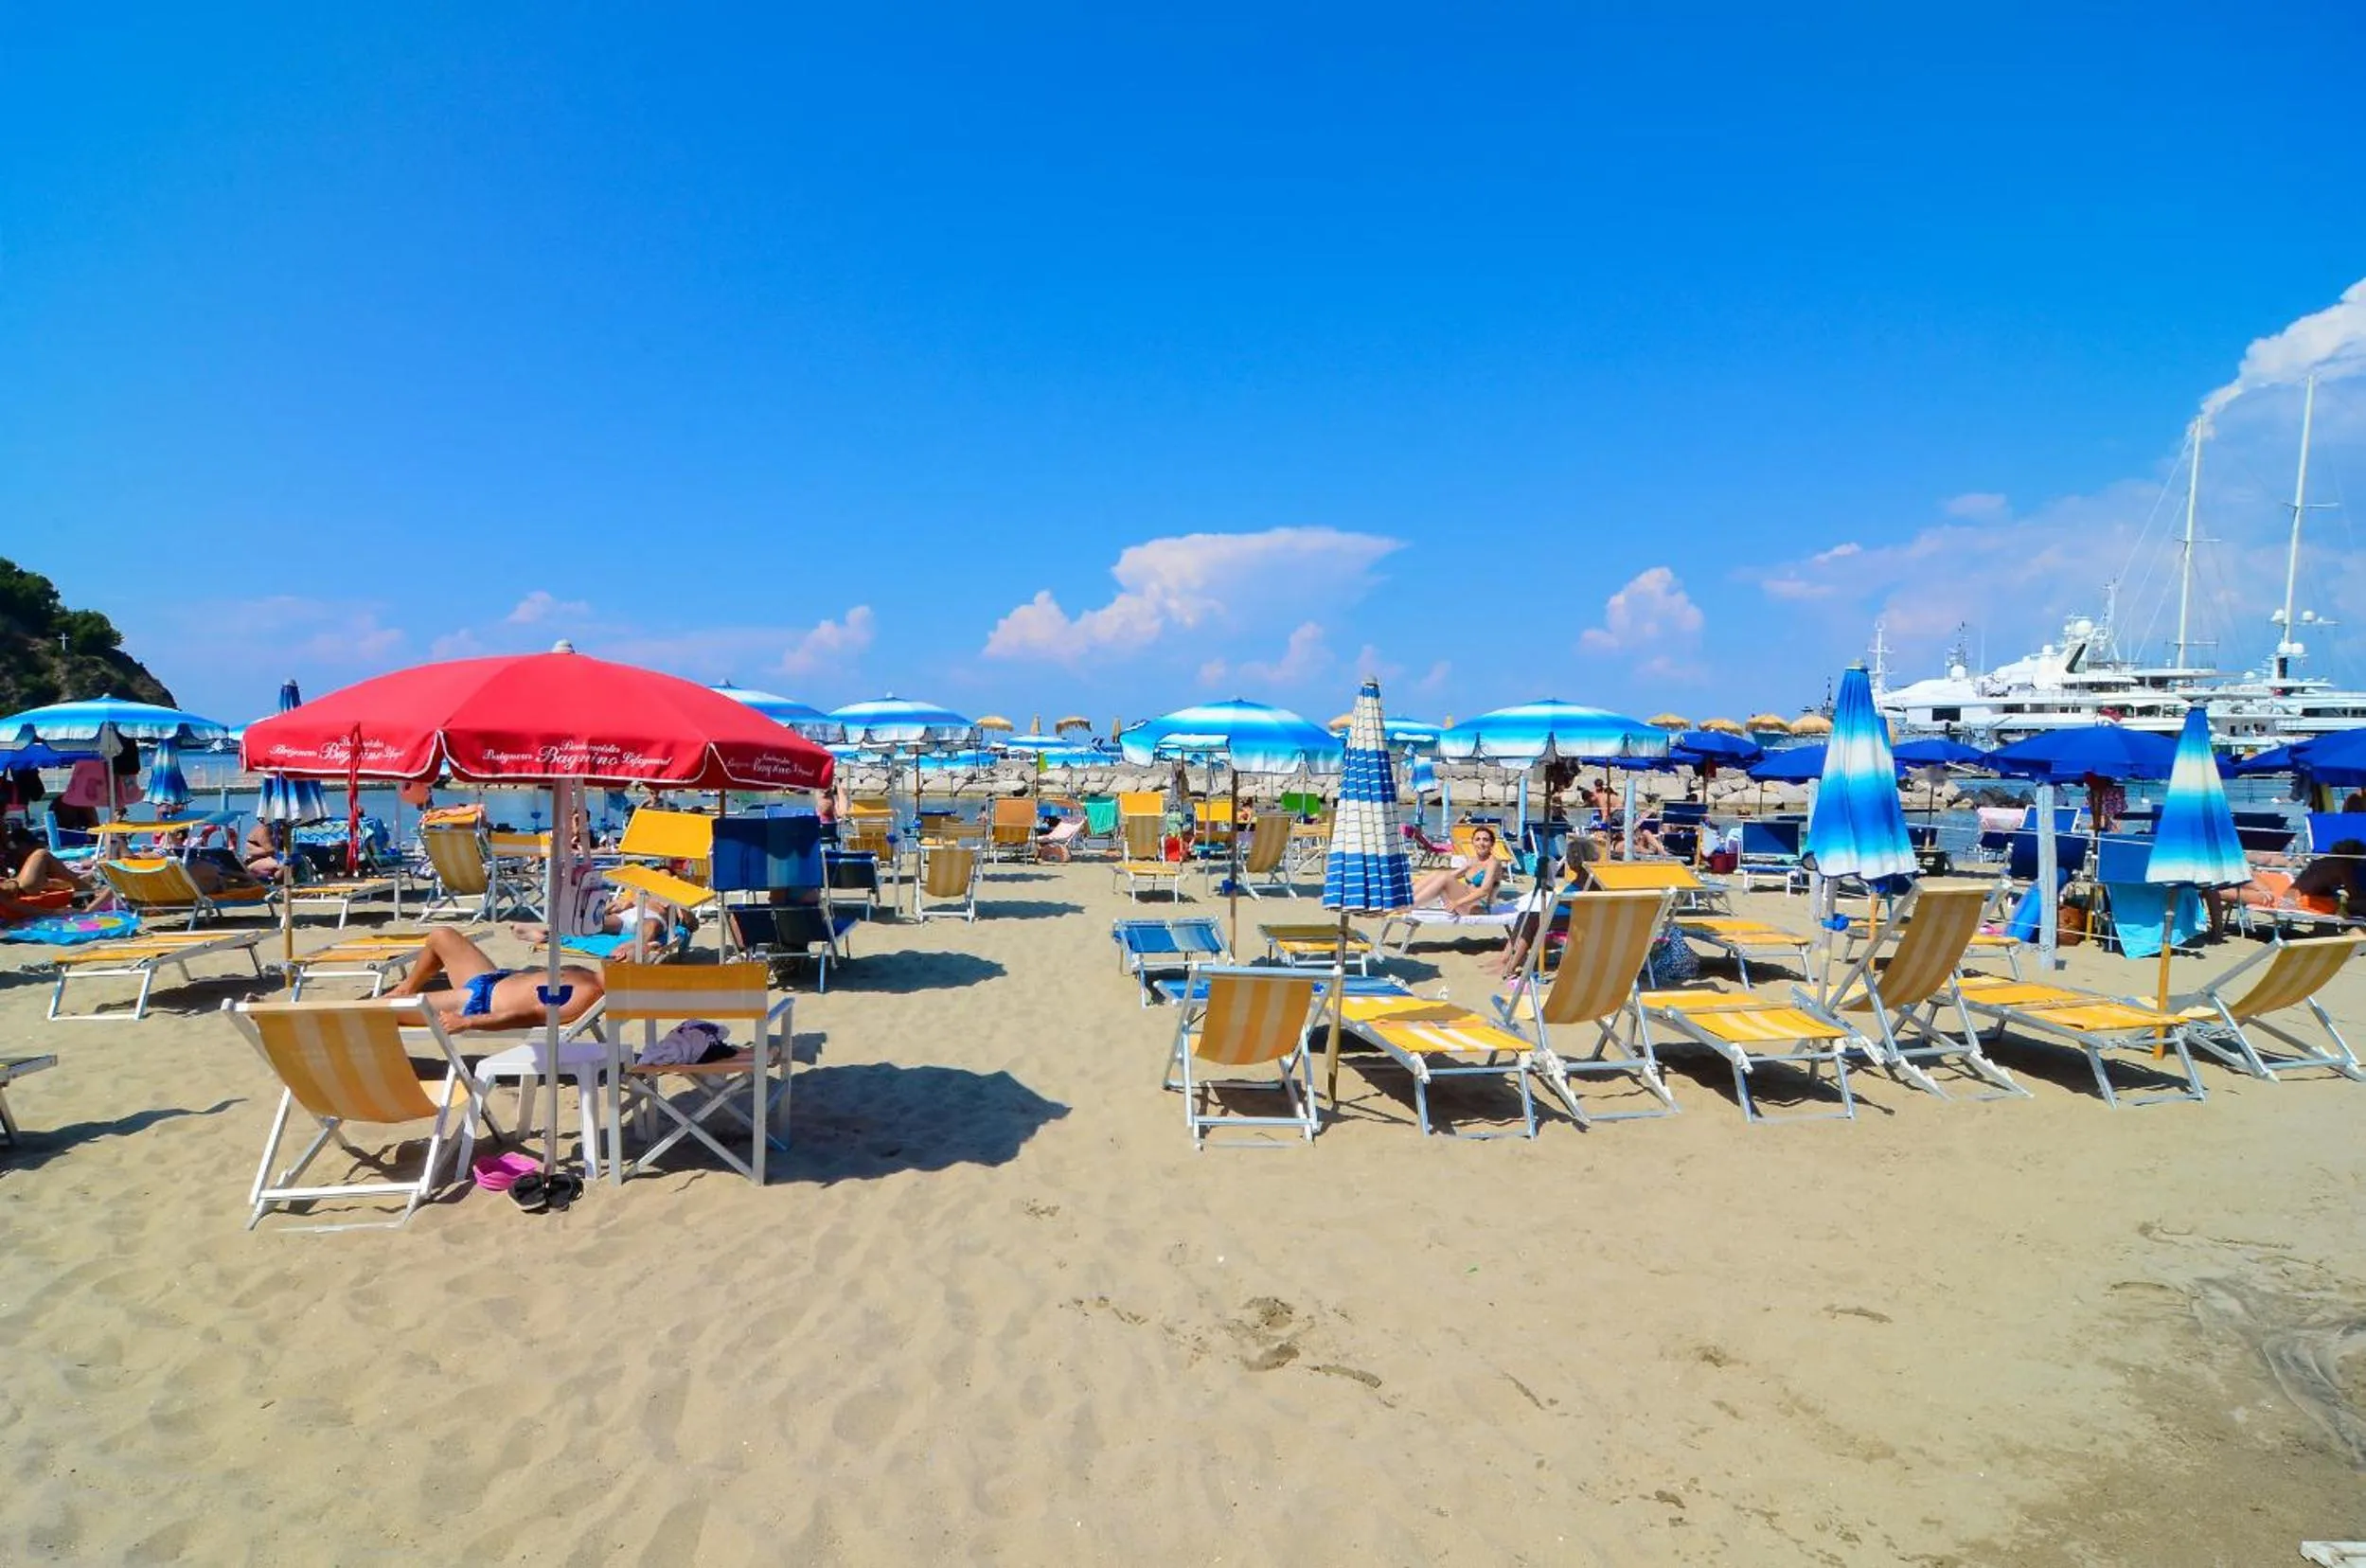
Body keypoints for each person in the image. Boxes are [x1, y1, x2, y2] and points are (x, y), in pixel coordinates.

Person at [385, 928, 606, 1034]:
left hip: (477, 1003)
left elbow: (526, 1016)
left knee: (381, 1010)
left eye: (625, 954)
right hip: (492, 979)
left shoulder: (586, 993)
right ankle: (406, 988)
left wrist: (467, 1022)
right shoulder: (587, 973)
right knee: (442, 936)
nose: (619, 953)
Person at [1493, 833, 1599, 980]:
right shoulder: (1592, 879)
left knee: (1529, 920)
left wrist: (1557, 901)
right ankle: (1506, 959)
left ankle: (1510, 965)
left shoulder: (1586, 882)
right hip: (1571, 918)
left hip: (1574, 922)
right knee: (1527, 916)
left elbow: (1576, 903)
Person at [1413, 824, 1503, 914]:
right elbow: (1446, 877)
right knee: (1438, 874)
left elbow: (1484, 891)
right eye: (1477, 839)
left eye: (1486, 840)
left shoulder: (1493, 863)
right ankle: (1406, 898)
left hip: (1478, 908)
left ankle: (1410, 905)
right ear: (1473, 842)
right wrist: (1466, 867)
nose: (1481, 843)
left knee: (1443, 877)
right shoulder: (1472, 861)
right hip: (1464, 903)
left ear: (1492, 843)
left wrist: (1456, 903)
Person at [1, 821, 84, 899]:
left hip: (15, 887)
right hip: (16, 889)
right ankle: (85, 883)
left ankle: (85, 882)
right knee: (41, 854)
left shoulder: (11, 857)